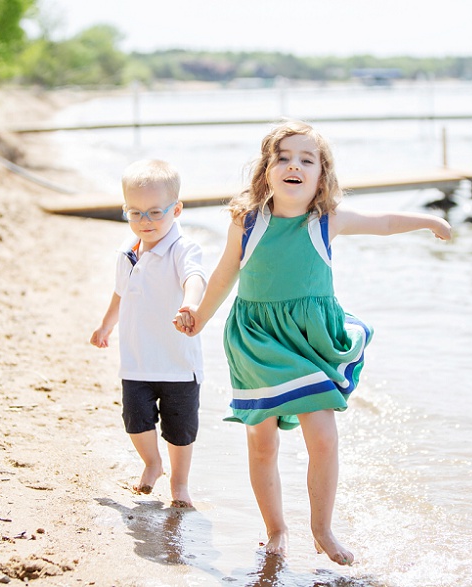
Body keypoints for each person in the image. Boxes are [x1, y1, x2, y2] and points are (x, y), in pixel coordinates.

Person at [174, 120, 452, 565]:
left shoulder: (327, 220)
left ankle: (321, 529)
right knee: (261, 441)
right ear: (266, 170)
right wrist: (199, 317)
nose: (293, 166)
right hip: (258, 338)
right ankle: (276, 529)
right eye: (282, 158)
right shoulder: (247, 222)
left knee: (322, 435)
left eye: (307, 160)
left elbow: (382, 222)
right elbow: (226, 272)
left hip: (309, 338)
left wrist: (428, 220)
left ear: (322, 176)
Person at [91, 159, 207, 508]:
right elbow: (120, 292)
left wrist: (189, 305)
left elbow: (195, 278)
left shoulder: (183, 248)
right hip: (137, 360)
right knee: (135, 420)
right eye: (135, 213)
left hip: (177, 362)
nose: (145, 222)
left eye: (155, 213)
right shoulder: (128, 253)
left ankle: (180, 483)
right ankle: (152, 463)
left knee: (180, 430)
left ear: (177, 209)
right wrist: (106, 325)